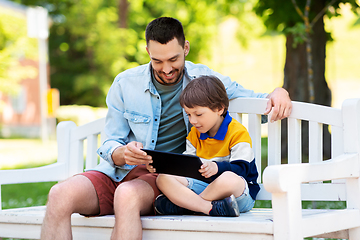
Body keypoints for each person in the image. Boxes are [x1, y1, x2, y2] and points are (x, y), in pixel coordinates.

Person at [40, 17, 291, 240]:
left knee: (126, 196)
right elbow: (109, 143)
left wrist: (279, 92)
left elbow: (256, 101)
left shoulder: (203, 80)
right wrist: (122, 153)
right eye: (157, 61)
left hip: (162, 178)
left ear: (186, 48)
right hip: (117, 171)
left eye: (174, 59)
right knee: (59, 194)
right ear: (147, 51)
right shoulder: (125, 83)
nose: (167, 69)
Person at [149, 75, 259, 217]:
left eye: (198, 114)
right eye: (188, 114)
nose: (193, 120)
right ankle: (208, 208)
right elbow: (186, 168)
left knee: (228, 178)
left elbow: (242, 169)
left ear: (219, 108)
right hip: (205, 189)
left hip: (237, 195)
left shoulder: (237, 132)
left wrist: (216, 167)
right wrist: (163, 166)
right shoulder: (195, 134)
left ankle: (187, 206)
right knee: (163, 178)